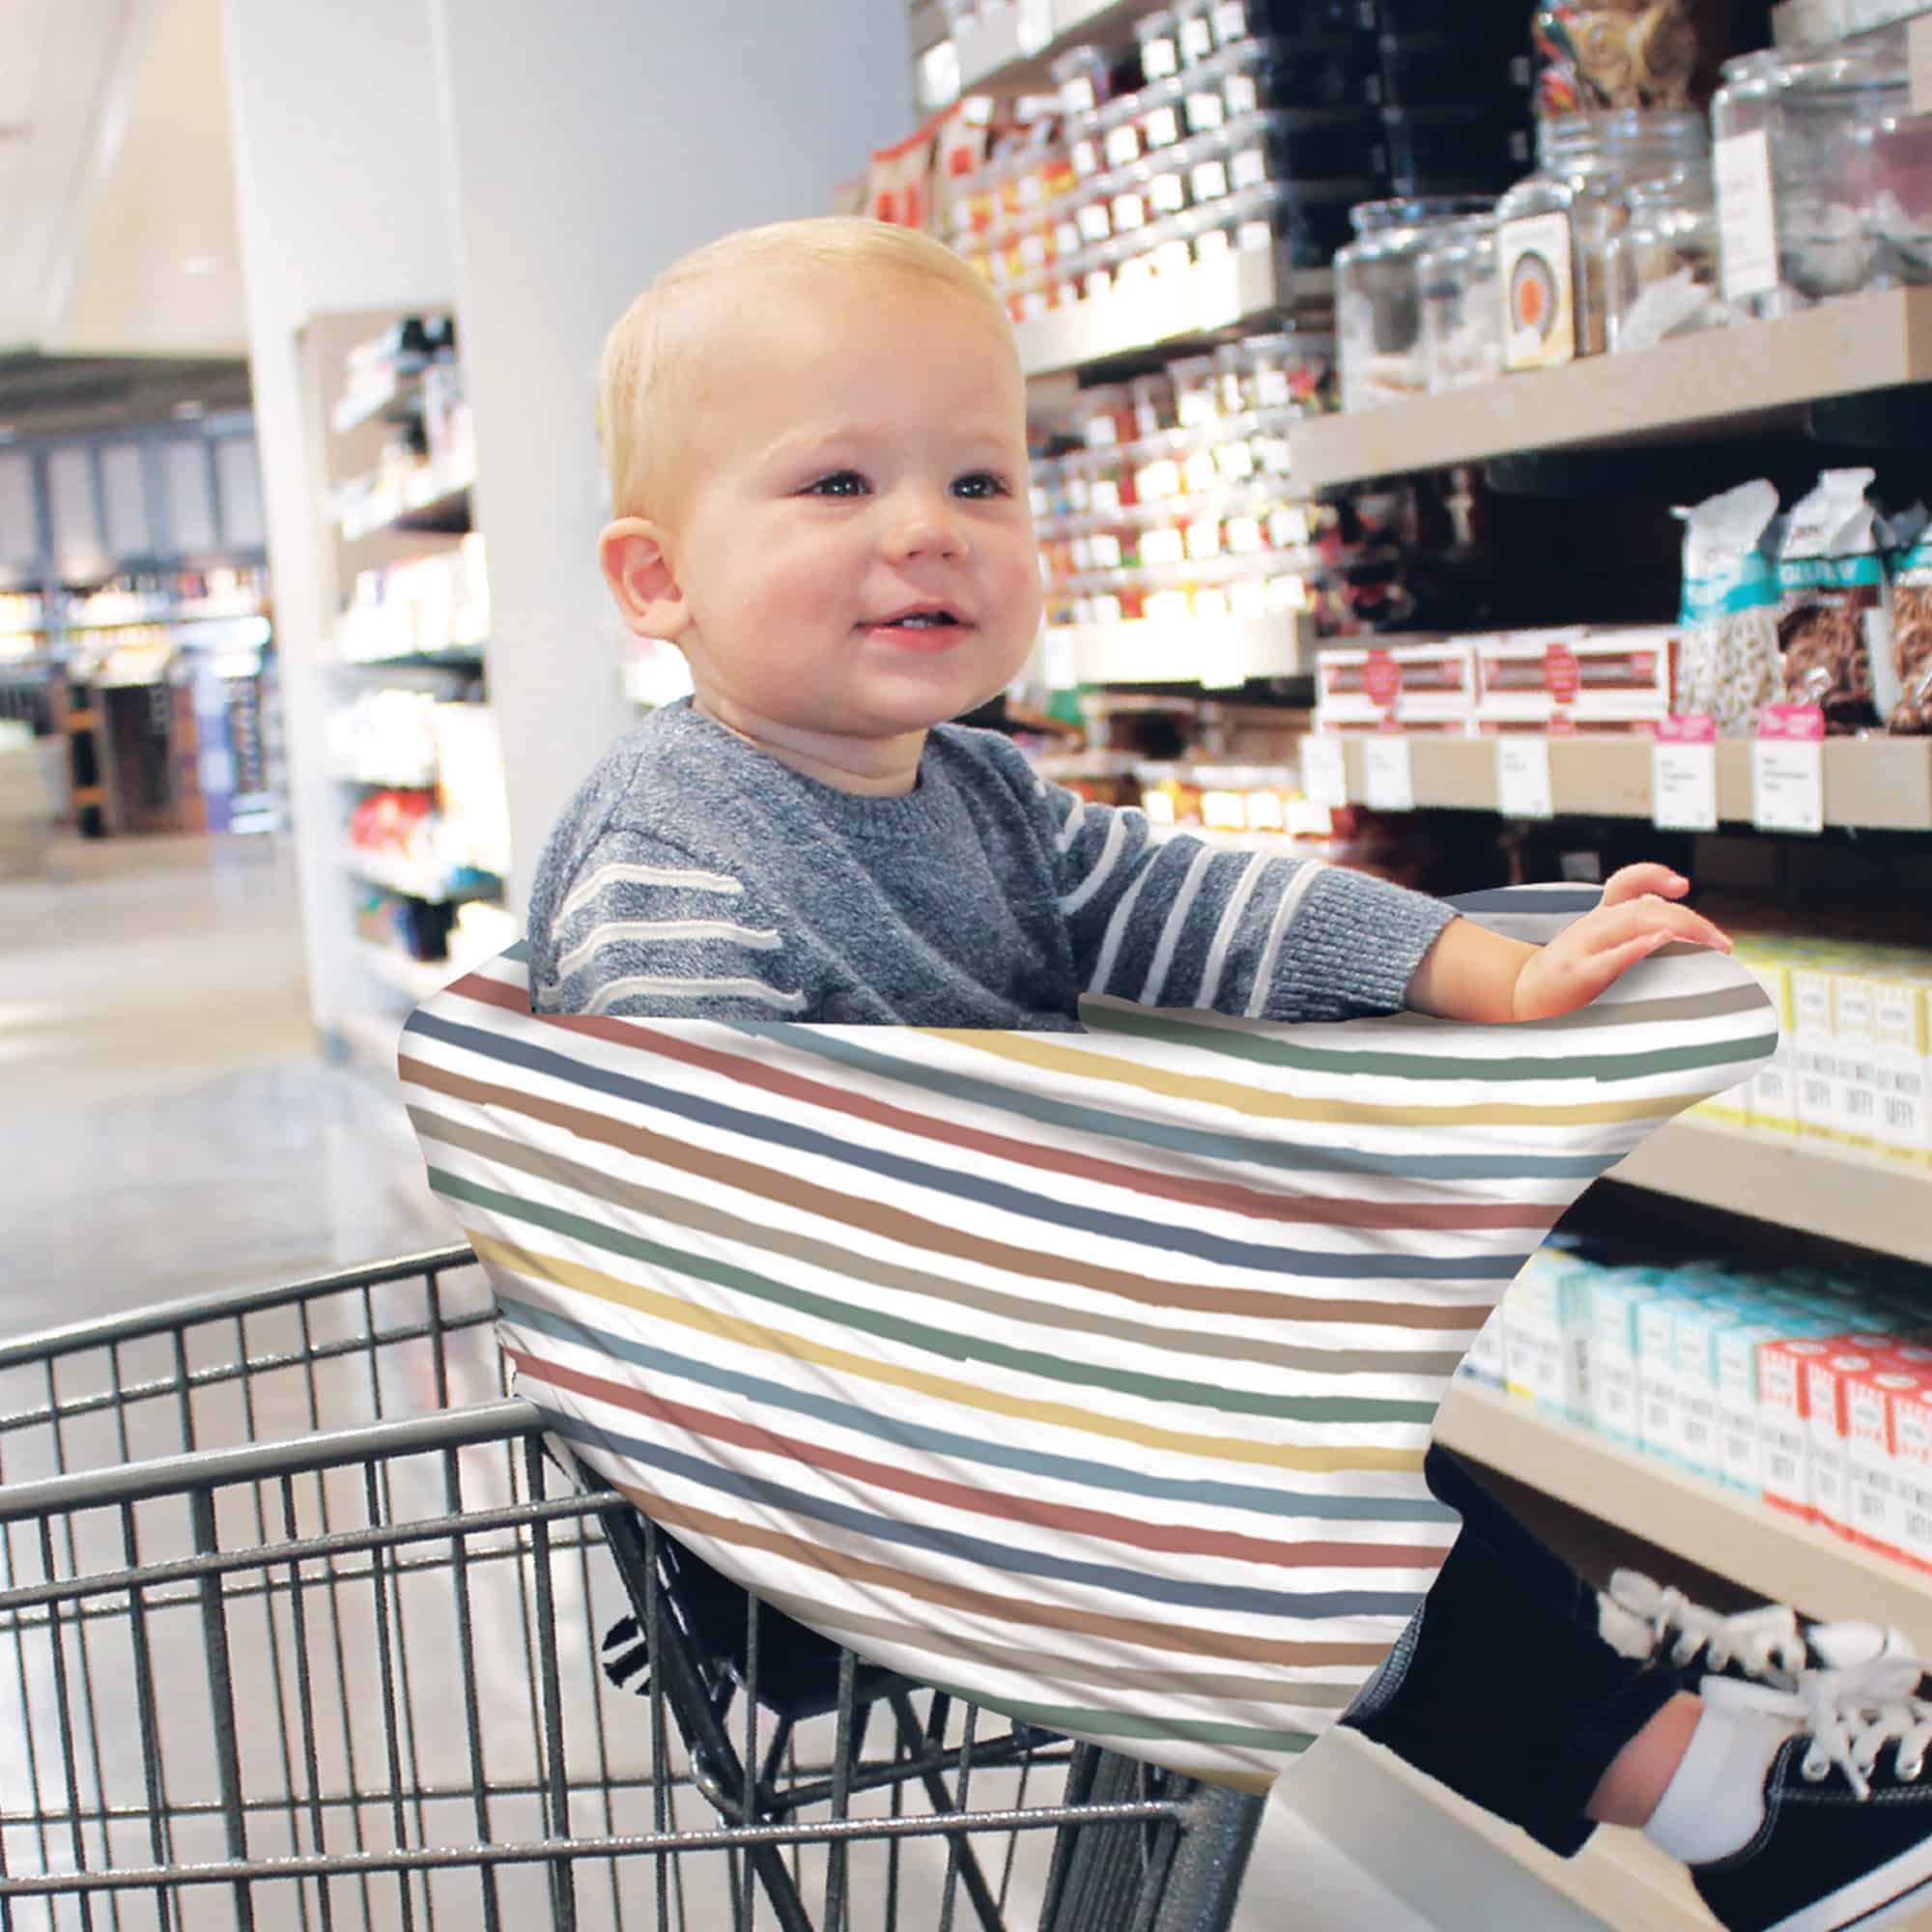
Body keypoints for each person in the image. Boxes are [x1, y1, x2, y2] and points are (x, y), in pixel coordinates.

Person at [525, 214, 1932, 1932]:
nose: (926, 532)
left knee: (1319, 1432)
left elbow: (1179, 896)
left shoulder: (967, 792)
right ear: (657, 581)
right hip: (822, 1487)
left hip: (1004, 1405)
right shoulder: (677, 858)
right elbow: (688, 1188)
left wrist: (1477, 967)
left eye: (980, 483)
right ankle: (1706, 1781)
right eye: (835, 487)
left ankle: (1670, 1706)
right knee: (1277, 1508)